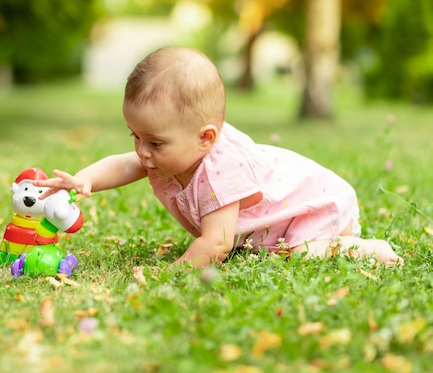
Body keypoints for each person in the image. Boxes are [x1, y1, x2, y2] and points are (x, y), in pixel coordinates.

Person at [35, 46, 403, 268]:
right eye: (135, 136)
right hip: (290, 207)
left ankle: (367, 249)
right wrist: (85, 179)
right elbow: (125, 164)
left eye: (155, 143)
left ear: (205, 138)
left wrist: (174, 273)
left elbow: (216, 244)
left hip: (312, 207)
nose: (142, 152)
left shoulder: (220, 171)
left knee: (299, 253)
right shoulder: (168, 154)